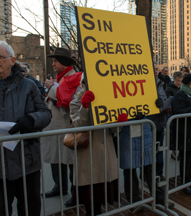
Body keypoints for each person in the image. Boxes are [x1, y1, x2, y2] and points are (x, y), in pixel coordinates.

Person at [0, 41, 52, 215]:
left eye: (0, 57)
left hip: (26, 161)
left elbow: (46, 114)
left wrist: (31, 119)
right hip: (1, 164)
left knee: (30, 208)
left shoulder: (28, 85)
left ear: (12, 60)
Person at [69, 79, 119, 215]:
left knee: (101, 194)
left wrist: (119, 123)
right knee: (89, 195)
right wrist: (84, 107)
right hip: (88, 154)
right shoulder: (75, 103)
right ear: (82, 85)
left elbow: (114, 130)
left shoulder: (107, 100)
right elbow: (78, 126)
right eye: (87, 83)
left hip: (105, 152)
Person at [42, 48, 82, 206]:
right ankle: (59, 187)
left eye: (55, 61)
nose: (53, 64)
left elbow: (70, 100)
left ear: (64, 63)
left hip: (67, 127)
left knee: (70, 161)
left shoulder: (74, 78)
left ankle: (75, 193)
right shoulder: (61, 78)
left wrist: (51, 88)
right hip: (56, 128)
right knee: (56, 159)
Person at [120, 113, 174, 210]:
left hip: (144, 130)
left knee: (150, 167)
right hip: (127, 130)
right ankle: (134, 201)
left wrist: (158, 105)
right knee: (130, 169)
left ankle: (159, 198)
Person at [146, 63, 168, 179]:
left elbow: (163, 99)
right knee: (148, 153)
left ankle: (159, 174)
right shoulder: (143, 83)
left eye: (157, 70)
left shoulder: (160, 83)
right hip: (149, 124)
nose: (156, 71)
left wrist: (166, 105)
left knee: (159, 152)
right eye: (153, 69)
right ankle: (146, 176)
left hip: (159, 123)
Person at [165, 71, 183, 160]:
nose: (179, 83)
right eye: (178, 81)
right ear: (174, 80)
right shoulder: (169, 89)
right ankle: (173, 152)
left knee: (180, 133)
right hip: (172, 113)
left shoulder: (183, 88)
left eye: (181, 81)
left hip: (180, 113)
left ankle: (179, 150)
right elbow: (168, 99)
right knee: (173, 133)